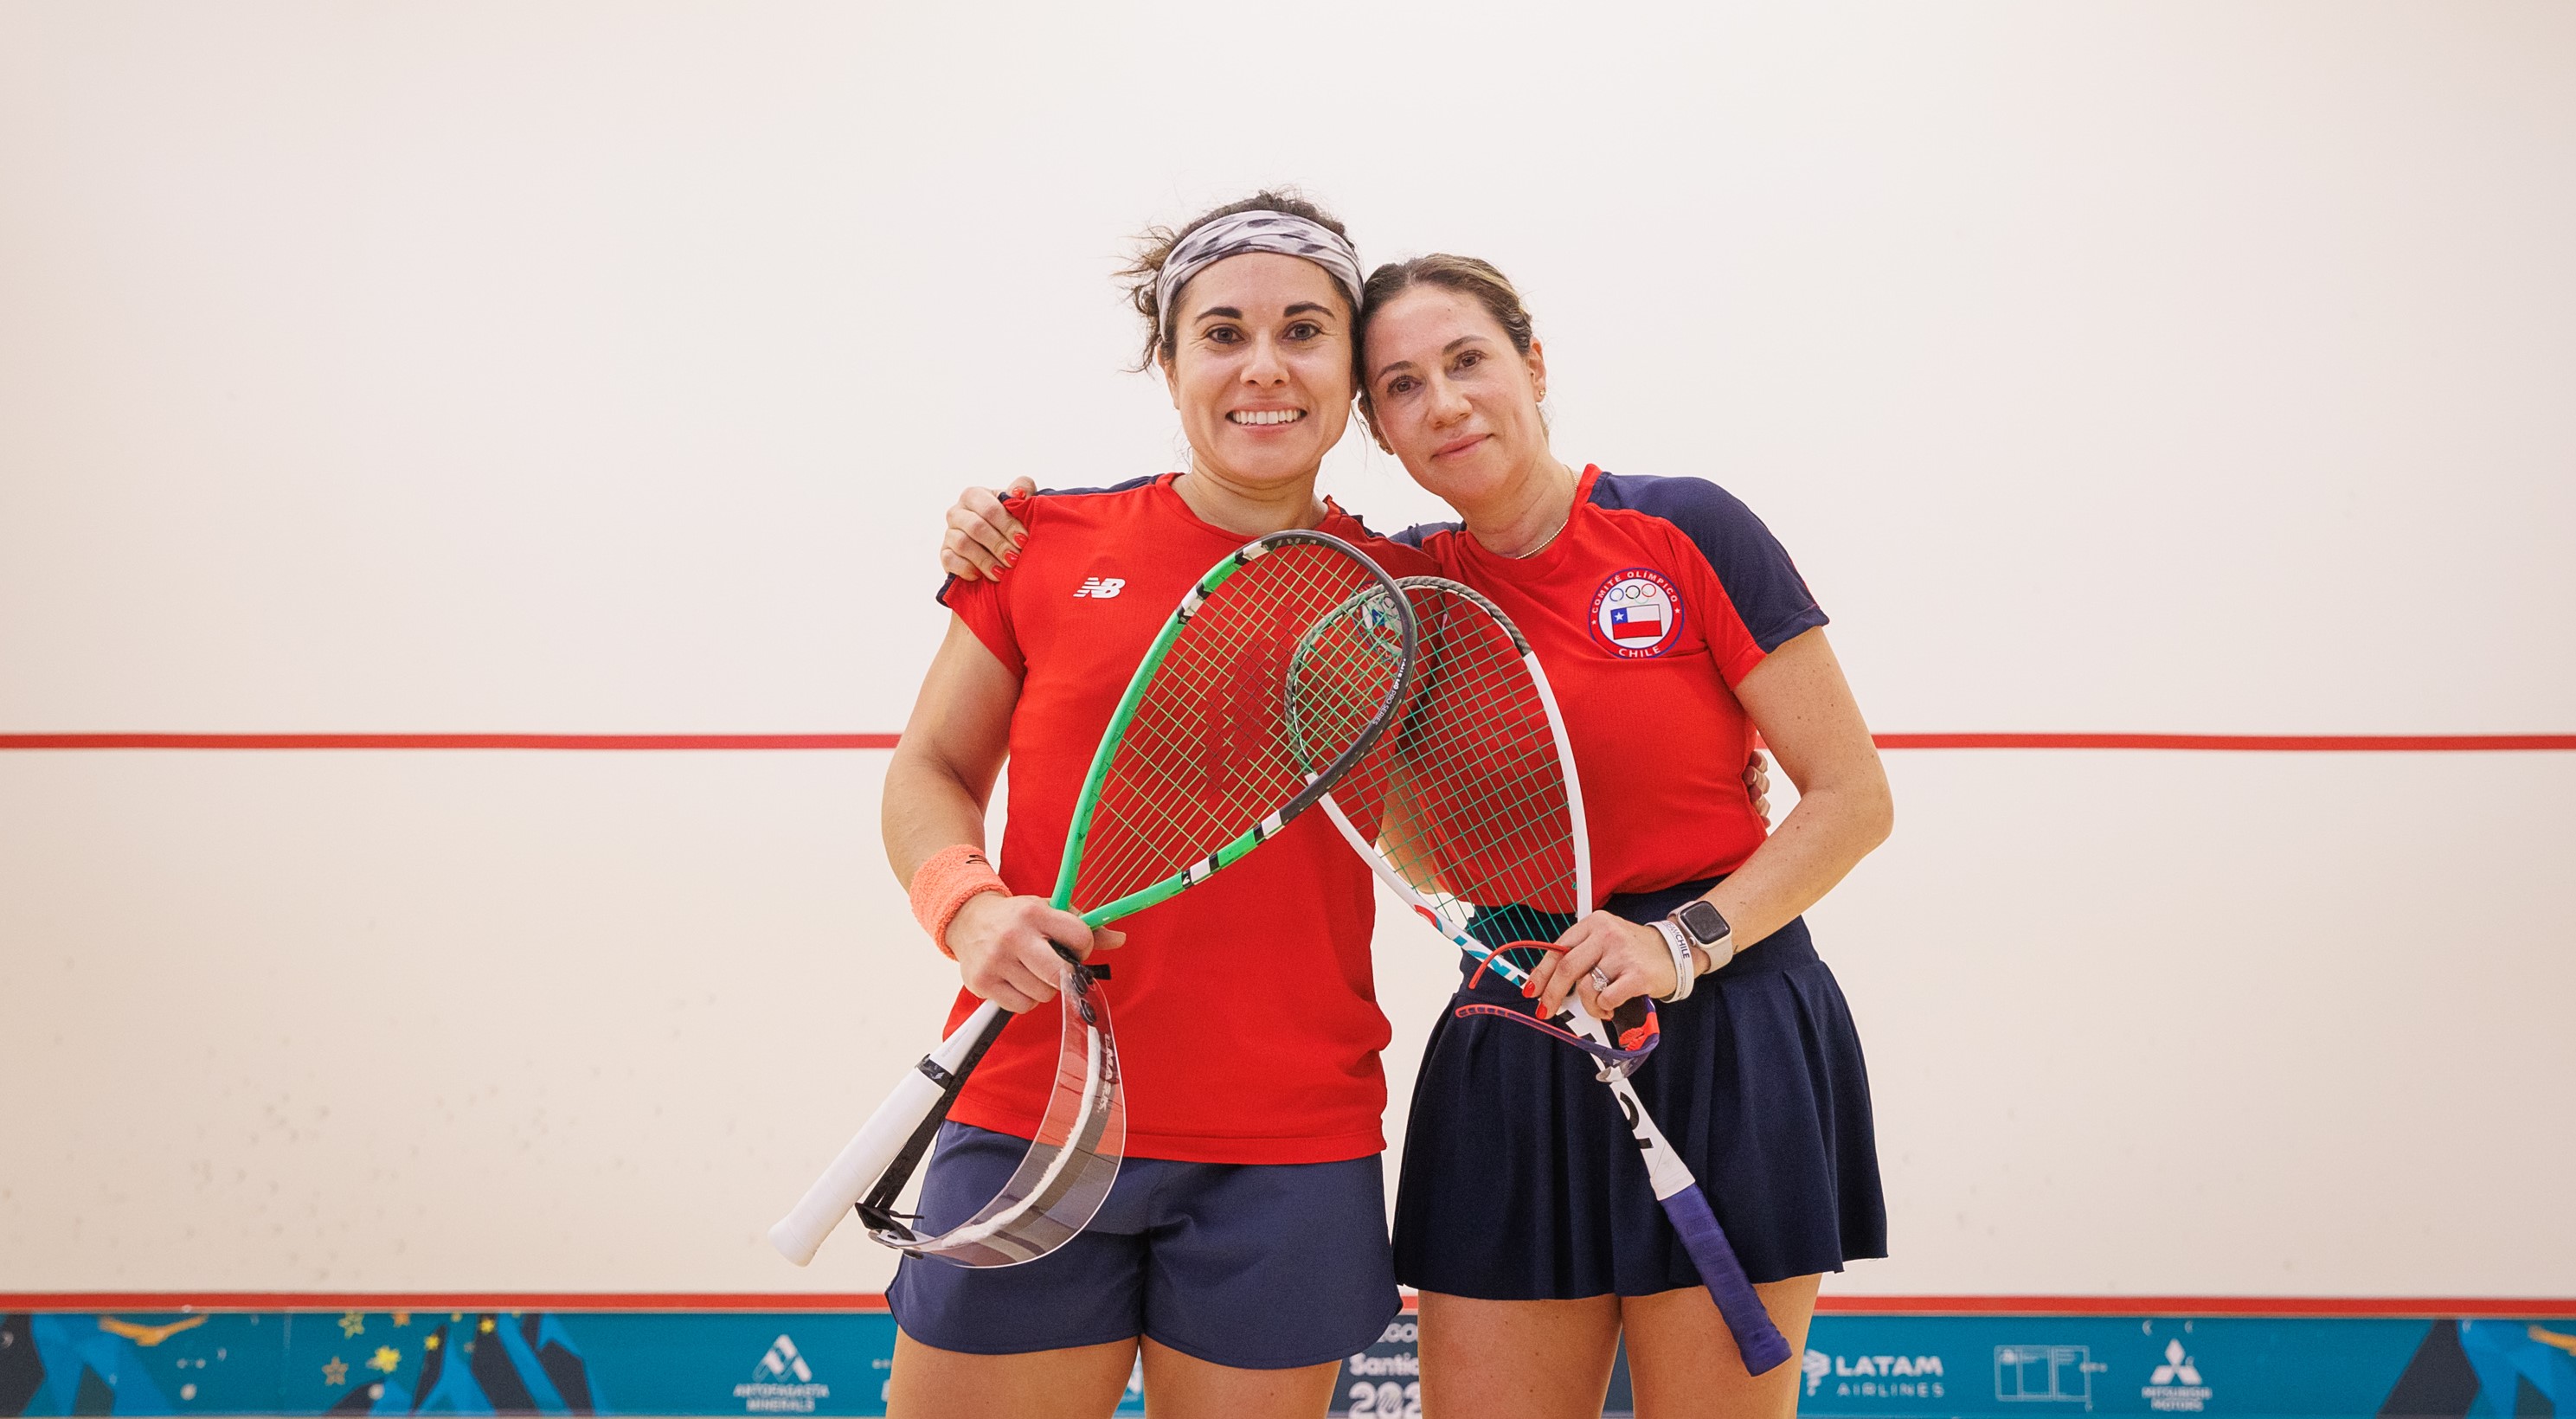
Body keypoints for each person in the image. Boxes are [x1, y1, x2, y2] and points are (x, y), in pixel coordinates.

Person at [940, 253, 1892, 1418]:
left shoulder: (1683, 528)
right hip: (1514, 1026)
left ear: (1532, 366)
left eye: (1466, 362)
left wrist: (1679, 941)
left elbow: (1851, 798)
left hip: (1723, 1024)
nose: (1439, 402)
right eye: (1398, 386)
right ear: (1373, 426)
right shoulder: (1398, 591)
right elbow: (1415, 842)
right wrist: (1000, 522)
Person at [879, 191, 1435, 1419]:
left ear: (1351, 368)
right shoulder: (1038, 545)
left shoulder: (1405, 596)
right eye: (1222, 334)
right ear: (1168, 360)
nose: (1263, 368)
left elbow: (1439, 830)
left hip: (1286, 1144)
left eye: (1303, 331)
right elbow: (929, 772)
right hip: (1030, 1105)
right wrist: (966, 909)